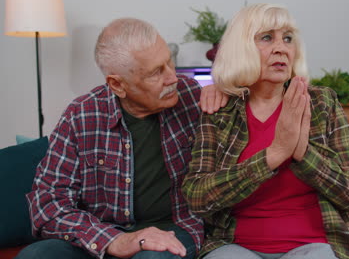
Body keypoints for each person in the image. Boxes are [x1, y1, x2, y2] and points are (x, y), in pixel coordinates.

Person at [16, 18, 227, 259]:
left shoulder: (194, 98)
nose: (173, 78)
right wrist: (115, 239)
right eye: (156, 72)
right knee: (36, 256)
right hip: (102, 234)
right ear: (117, 84)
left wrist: (227, 88)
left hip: (175, 229)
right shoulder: (81, 115)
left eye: (169, 61)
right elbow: (47, 204)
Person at [182, 3, 349, 259]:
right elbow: (197, 196)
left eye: (288, 38)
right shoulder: (220, 109)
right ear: (241, 48)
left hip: (314, 247)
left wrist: (302, 154)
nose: (281, 48)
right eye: (266, 37)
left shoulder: (321, 104)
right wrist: (273, 155)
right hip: (234, 246)